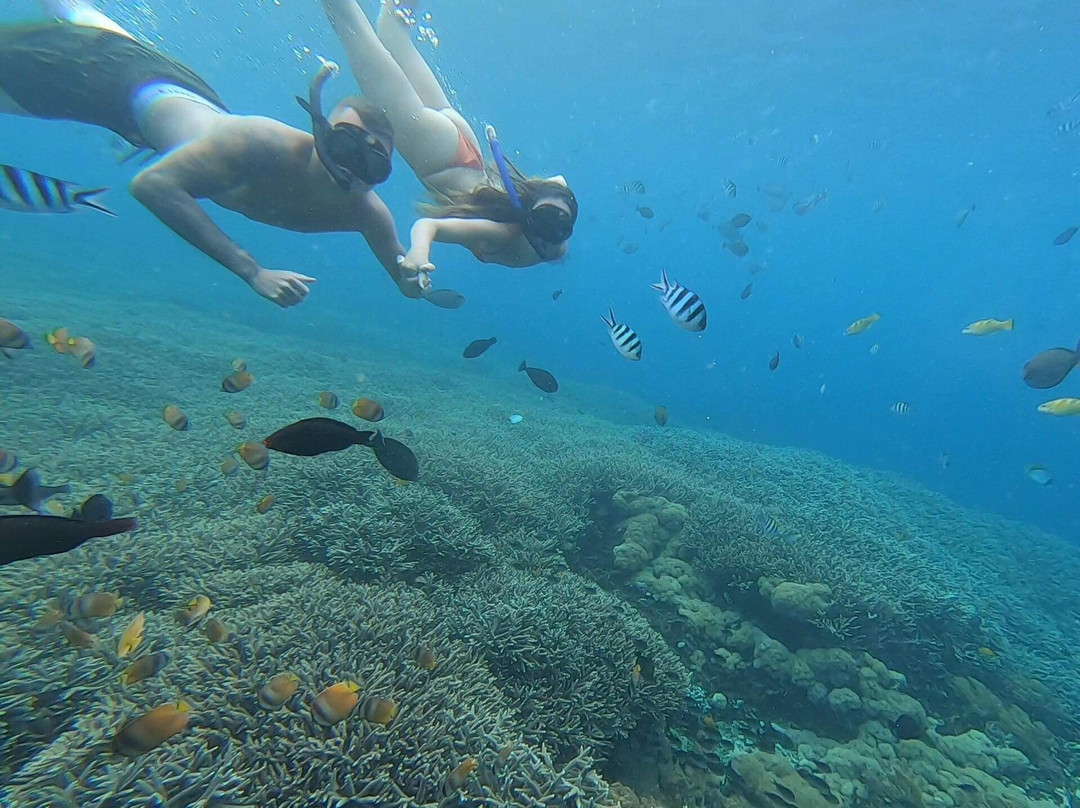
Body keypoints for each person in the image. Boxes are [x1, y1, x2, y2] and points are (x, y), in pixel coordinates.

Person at [0, 0, 432, 307]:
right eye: (345, 144)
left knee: (106, 35)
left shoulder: (368, 214)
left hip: (185, 93)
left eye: (375, 163)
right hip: (113, 87)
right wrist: (252, 271)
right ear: (319, 132)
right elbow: (152, 184)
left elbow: (404, 279)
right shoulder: (261, 143)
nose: (352, 168)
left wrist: (414, 273)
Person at [320, 0, 578, 279]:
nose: (548, 237)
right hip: (436, 154)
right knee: (356, 37)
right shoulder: (505, 234)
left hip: (464, 147)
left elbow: (559, 182)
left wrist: (535, 197)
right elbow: (428, 226)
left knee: (393, 28)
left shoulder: (553, 241)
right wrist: (419, 252)